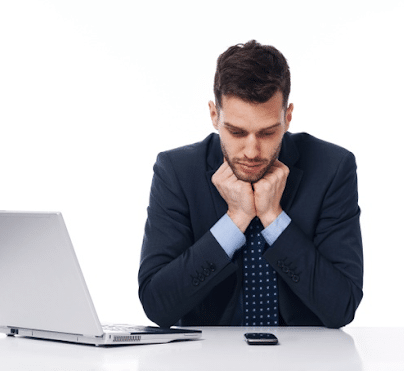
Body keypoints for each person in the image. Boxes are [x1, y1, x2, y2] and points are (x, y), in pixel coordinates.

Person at [138, 40, 363, 329]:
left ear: (288, 116)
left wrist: (273, 218)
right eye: (236, 132)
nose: (252, 151)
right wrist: (236, 220)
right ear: (214, 115)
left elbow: (342, 308)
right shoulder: (177, 172)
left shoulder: (333, 168)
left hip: (304, 357)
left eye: (268, 132)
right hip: (209, 358)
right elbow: (157, 306)